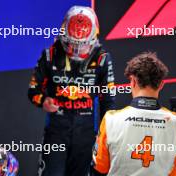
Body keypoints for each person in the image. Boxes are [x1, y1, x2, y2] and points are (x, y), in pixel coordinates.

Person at [28, 6, 115, 176]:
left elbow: (108, 100)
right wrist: (43, 100)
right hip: (56, 132)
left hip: (87, 133)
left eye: (81, 45)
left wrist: (107, 137)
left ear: (93, 38)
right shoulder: (49, 55)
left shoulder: (103, 58)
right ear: (63, 34)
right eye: (72, 43)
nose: (75, 50)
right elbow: (33, 90)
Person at [91, 52, 176, 176]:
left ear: (132, 81)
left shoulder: (111, 119)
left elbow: (100, 167)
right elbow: (175, 170)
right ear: (161, 84)